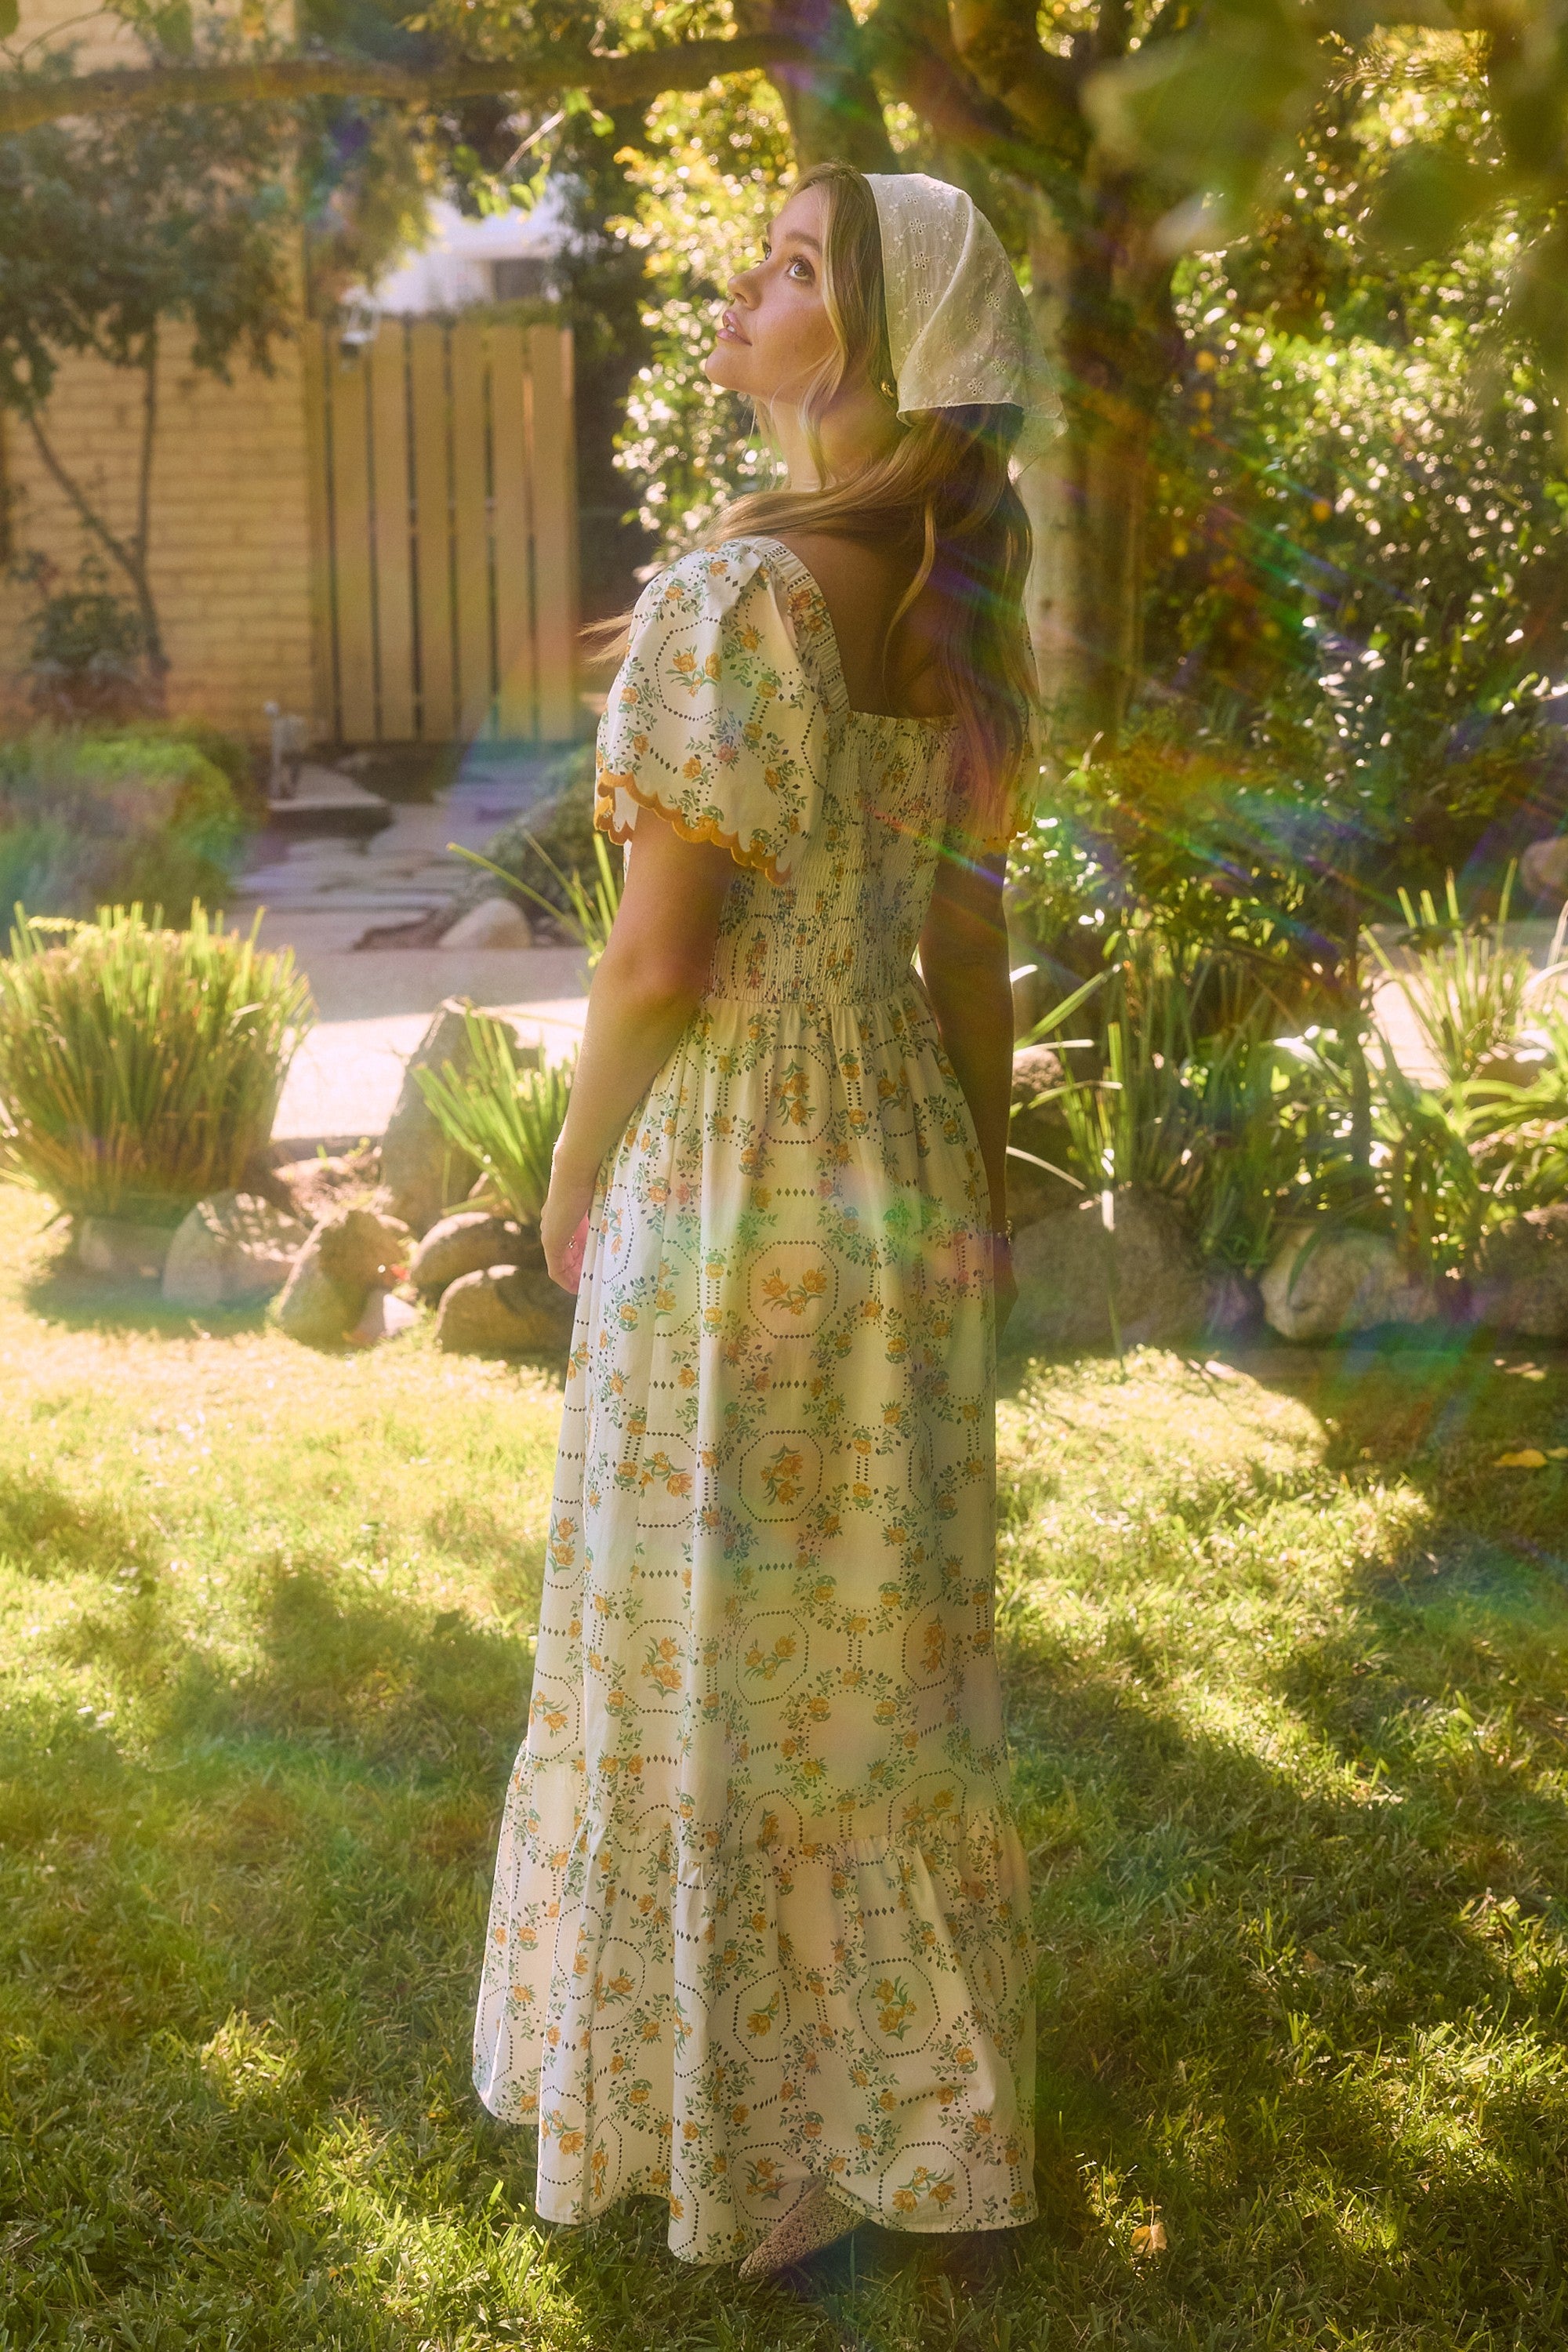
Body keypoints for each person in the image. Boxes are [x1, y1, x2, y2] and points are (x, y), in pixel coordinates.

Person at [474, 162, 1058, 2276]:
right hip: (897, 1151)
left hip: (734, 1163)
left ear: (884, 354)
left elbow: (656, 966)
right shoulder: (960, 606)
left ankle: (740, 2131)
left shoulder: (740, 598)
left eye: (799, 267)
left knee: (706, 1646)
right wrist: (975, 1191)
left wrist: (564, 1176)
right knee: (867, 1651)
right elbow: (968, 953)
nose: (749, 282)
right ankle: (885, 2102)